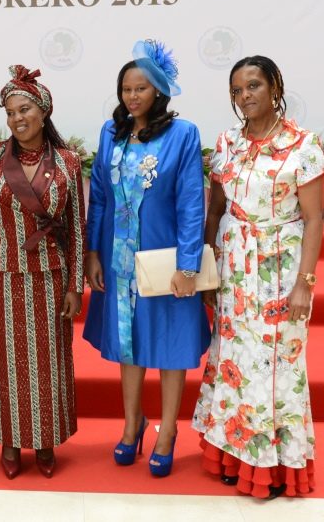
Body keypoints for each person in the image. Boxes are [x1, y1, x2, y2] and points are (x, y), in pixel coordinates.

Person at [192, 55, 324, 499]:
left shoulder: (302, 145)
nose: (244, 96)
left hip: (278, 270)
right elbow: (215, 208)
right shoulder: (227, 142)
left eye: (253, 86)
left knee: (275, 368)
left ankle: (271, 469)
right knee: (235, 363)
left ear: (274, 86)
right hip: (233, 268)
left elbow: (314, 219)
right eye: (236, 90)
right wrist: (208, 269)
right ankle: (233, 454)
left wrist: (305, 284)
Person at [83, 40, 210, 478]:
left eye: (141, 88)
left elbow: (192, 202)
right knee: (128, 343)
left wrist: (188, 264)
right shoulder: (110, 132)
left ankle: (169, 430)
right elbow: (98, 196)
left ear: (158, 91)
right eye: (126, 89)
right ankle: (132, 422)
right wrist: (92, 252)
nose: (132, 96)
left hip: (165, 259)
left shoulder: (183, 134)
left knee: (171, 346)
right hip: (118, 260)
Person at [0, 66, 86, 480]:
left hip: (51, 278)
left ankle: (47, 441)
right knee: (7, 365)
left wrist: (76, 286)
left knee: (50, 364)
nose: (17, 119)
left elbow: (76, 229)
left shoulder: (68, 161)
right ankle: (10, 441)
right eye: (10, 112)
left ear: (43, 112)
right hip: (4, 276)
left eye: (24, 110)